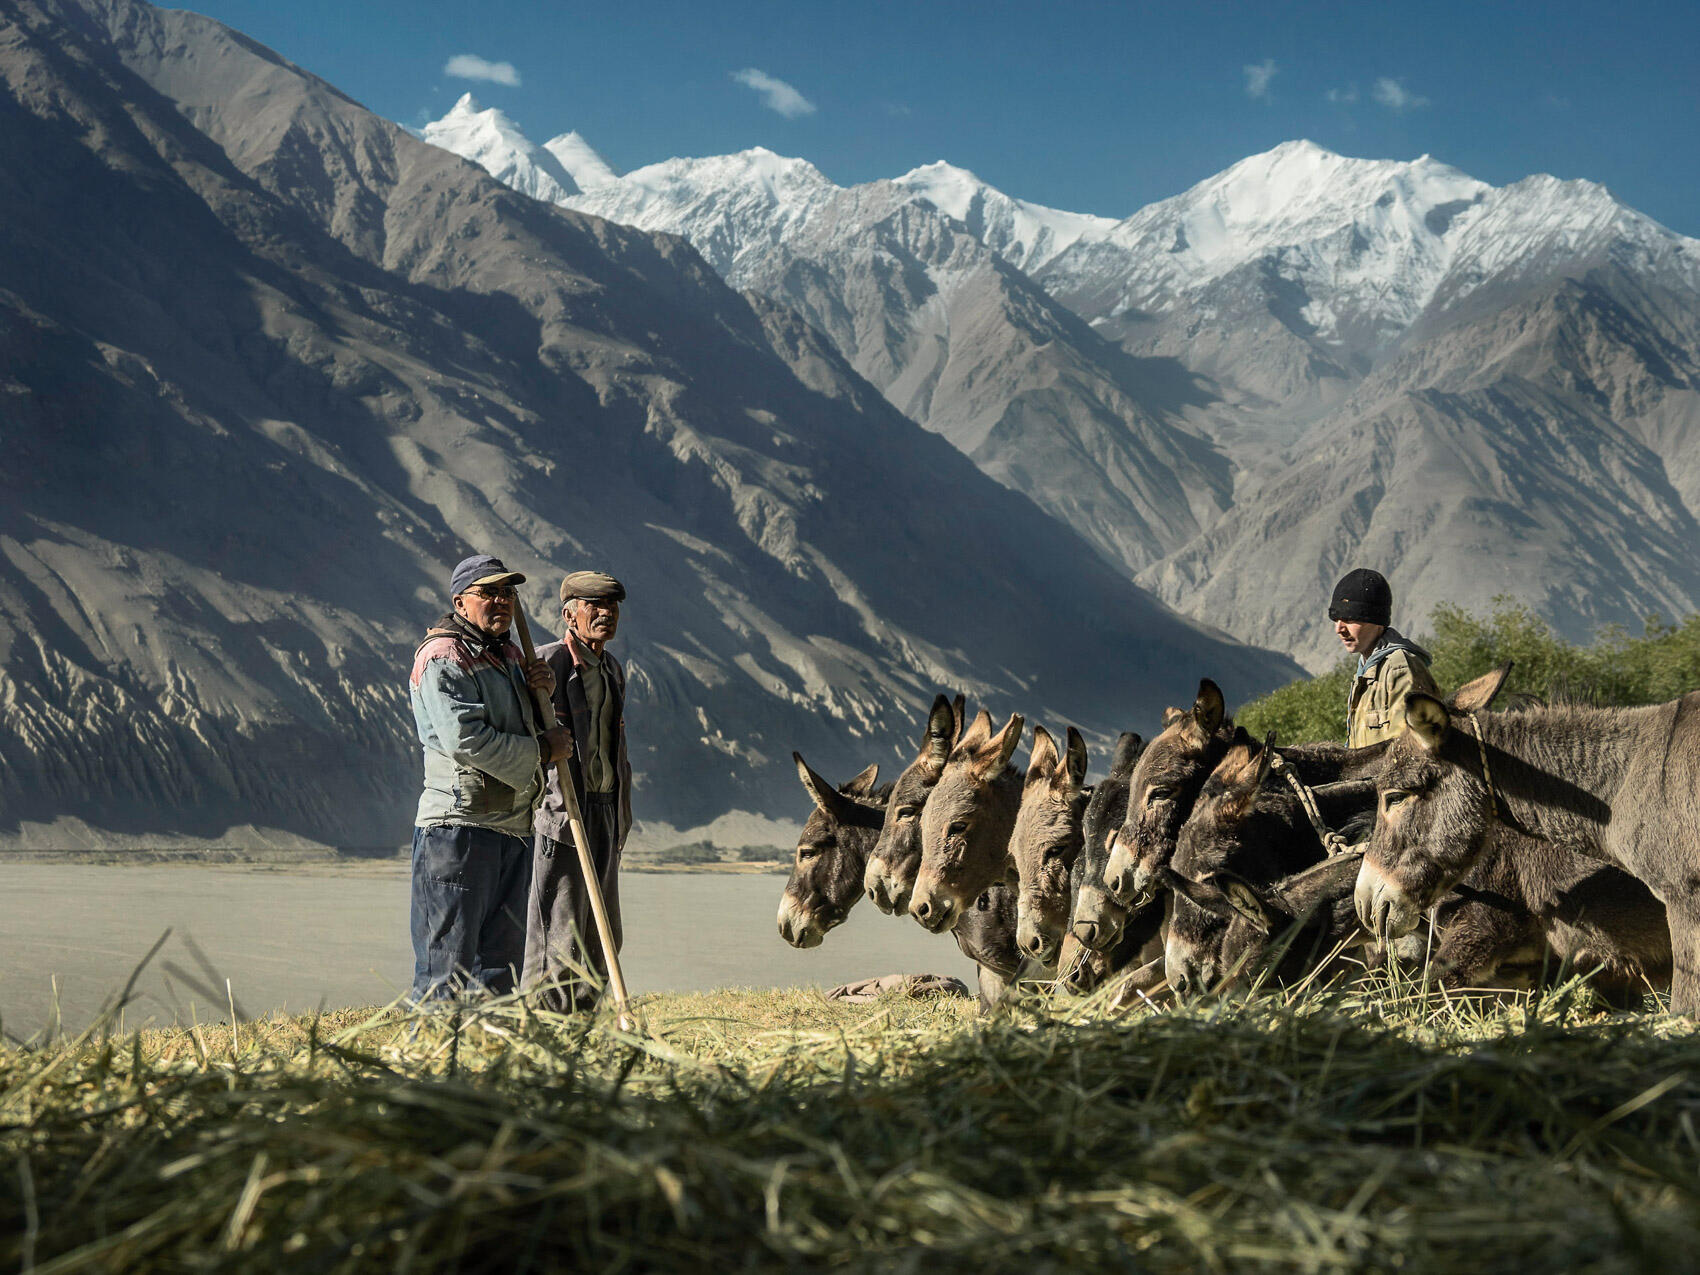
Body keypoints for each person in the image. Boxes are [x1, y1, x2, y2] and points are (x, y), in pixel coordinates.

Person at [408, 554, 571, 1002]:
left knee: (500, 968)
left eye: (508, 593)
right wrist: (543, 749)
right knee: (448, 965)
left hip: (512, 826)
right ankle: (435, 1063)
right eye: (489, 592)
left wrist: (541, 694)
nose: (501, 601)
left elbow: (518, 729)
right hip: (458, 829)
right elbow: (467, 740)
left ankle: (488, 1063)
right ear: (461, 601)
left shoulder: (510, 656)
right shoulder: (444, 657)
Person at [523, 570, 633, 1011]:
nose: (606, 614)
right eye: (594, 606)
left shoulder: (611, 669)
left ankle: (585, 1020)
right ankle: (544, 1020)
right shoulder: (546, 665)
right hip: (565, 810)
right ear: (569, 615)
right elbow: (526, 738)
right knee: (559, 926)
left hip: (606, 808)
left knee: (604, 928)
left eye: (612, 607)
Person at [1328, 568, 1441, 749]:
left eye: (1349, 618)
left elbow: (1410, 752)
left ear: (1375, 619)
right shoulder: (1366, 671)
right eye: (1335, 618)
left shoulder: (1399, 668)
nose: (1339, 629)